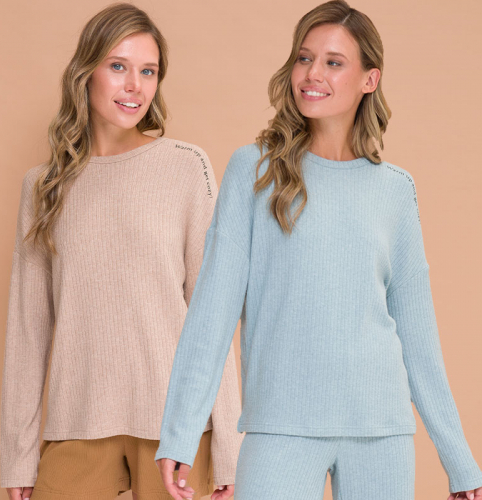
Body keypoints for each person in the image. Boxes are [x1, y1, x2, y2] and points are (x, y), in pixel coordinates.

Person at [153, 1, 482, 499]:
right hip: (279, 426)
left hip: (380, 432)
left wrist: (458, 459)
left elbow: (418, 336)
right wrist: (179, 431)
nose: (312, 74)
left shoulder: (395, 190)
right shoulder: (253, 171)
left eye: (334, 62)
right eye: (304, 58)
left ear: (369, 79)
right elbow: (212, 312)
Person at [0, 3, 243, 500]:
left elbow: (212, 315)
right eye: (118, 66)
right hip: (77, 421)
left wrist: (229, 449)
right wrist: (18, 458)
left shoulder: (185, 167)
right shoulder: (43, 187)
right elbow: (28, 331)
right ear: (85, 71)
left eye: (148, 71)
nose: (135, 85)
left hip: (175, 429)